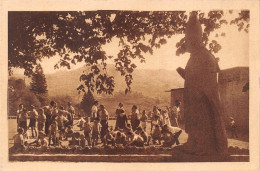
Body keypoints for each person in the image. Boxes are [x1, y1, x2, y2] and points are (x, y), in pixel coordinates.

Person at [176, 12, 228, 155]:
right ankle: (194, 142)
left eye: (188, 38)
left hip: (202, 104)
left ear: (196, 38)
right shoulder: (195, 56)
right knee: (194, 119)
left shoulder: (205, 57)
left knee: (200, 118)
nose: (186, 41)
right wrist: (186, 75)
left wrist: (191, 78)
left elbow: (207, 85)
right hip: (194, 102)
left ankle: (202, 145)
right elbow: (195, 78)